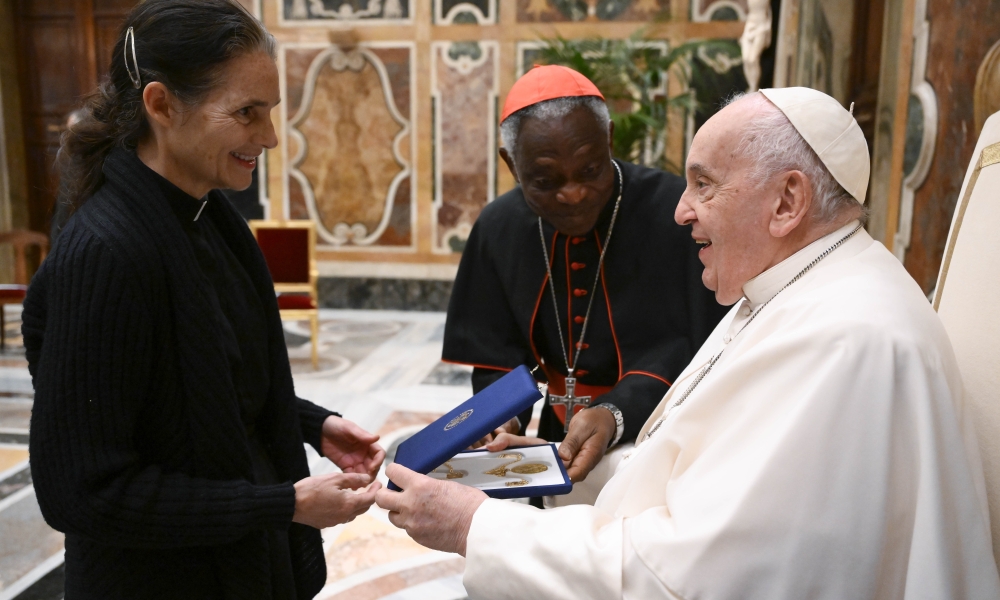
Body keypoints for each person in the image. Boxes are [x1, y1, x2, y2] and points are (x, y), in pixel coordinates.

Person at [376, 87, 1000, 598]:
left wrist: (473, 525)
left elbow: (684, 580)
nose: (681, 211)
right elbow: (695, 481)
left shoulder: (841, 343)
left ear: (787, 201)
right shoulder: (796, 291)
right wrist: (552, 465)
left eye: (704, 185)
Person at [22, 2, 383, 598]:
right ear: (162, 106)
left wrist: (314, 425)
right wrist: (281, 503)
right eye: (246, 113)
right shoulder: (106, 254)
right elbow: (82, 492)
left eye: (269, 113)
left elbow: (202, 380)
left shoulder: (212, 217)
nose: (268, 138)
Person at [443, 65, 727, 486]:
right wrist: (500, 419)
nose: (573, 193)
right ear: (511, 164)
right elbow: (495, 354)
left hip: (664, 430)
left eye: (590, 170)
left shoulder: (676, 213)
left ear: (608, 138)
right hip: (559, 440)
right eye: (545, 180)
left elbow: (699, 342)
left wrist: (616, 411)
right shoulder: (498, 227)